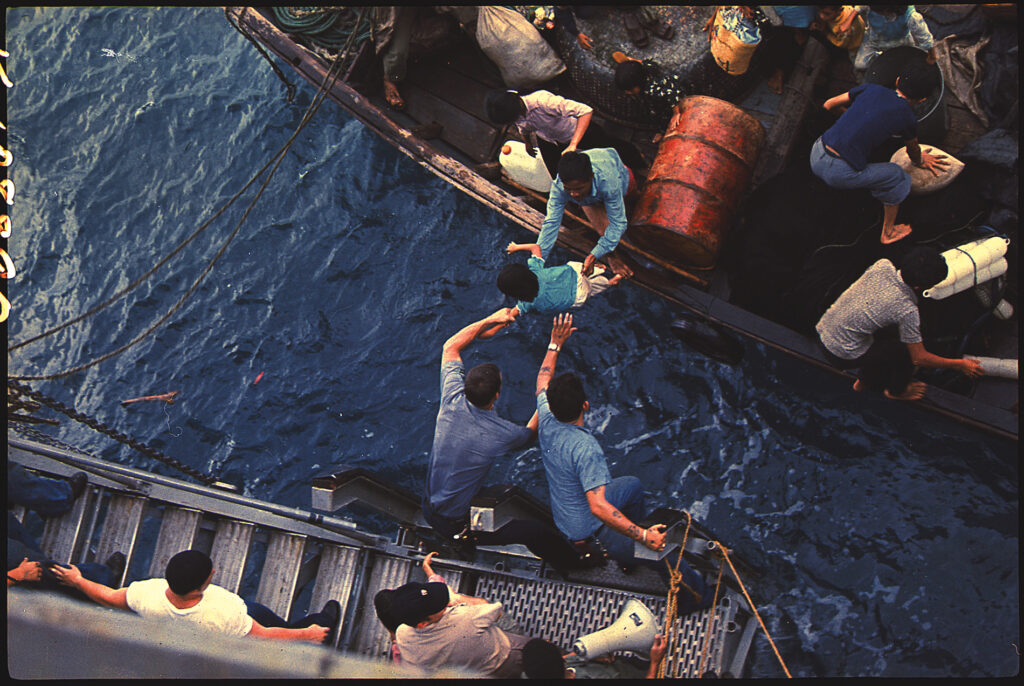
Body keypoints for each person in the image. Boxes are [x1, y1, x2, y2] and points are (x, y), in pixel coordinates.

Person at [534, 314, 710, 612]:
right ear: (585, 406)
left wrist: (555, 343)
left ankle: (629, 553)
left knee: (631, 486)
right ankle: (695, 601)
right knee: (663, 552)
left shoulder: (546, 416)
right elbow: (598, 507)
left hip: (564, 515)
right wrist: (644, 537)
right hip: (588, 532)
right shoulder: (585, 447)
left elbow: (542, 378)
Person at [422, 308, 587, 572]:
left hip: (429, 505)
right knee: (532, 533)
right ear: (497, 396)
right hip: (454, 521)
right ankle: (576, 566)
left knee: (502, 492)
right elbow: (532, 431)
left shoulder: (451, 398)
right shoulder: (501, 434)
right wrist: (552, 360)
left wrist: (489, 320)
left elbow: (451, 346)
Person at [53, 549, 340, 645]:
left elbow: (110, 597)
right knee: (288, 627)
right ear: (198, 589)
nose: (213, 571)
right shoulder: (223, 611)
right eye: (210, 574)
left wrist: (78, 581)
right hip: (241, 625)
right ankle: (322, 627)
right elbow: (263, 634)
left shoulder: (146, 594)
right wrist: (308, 635)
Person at [816, 246, 984, 399]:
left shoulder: (882, 265)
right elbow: (920, 358)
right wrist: (960, 365)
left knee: (885, 329)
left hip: (825, 328)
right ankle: (896, 391)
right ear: (919, 288)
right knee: (903, 352)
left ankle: (865, 378)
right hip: (842, 354)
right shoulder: (906, 310)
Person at [809, 59, 949, 244]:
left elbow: (829, 104)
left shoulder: (871, 89)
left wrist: (856, 120)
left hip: (816, 152)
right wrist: (921, 160)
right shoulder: (907, 116)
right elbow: (913, 151)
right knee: (898, 176)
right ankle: (888, 231)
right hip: (838, 174)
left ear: (897, 80)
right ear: (922, 99)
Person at [392, 580, 533, 677]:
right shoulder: (464, 617)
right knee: (539, 652)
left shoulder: (402, 635)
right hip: (505, 656)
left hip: (479, 673)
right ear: (422, 624)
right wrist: (457, 598)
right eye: (438, 606)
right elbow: (494, 610)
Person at [538, 150, 637, 280]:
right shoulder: (559, 186)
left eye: (578, 188)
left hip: (622, 181)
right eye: (568, 189)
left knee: (633, 202)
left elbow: (618, 224)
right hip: (590, 197)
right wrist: (537, 261)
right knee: (603, 229)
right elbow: (551, 224)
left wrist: (594, 254)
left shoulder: (608, 182)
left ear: (591, 177)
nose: (573, 194)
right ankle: (613, 256)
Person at [374, 552, 479, 663]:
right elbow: (434, 593)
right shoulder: (434, 615)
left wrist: (426, 568)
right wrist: (427, 568)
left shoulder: (400, 647)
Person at [499, 241, 624, 316]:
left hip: (578, 297)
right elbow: (535, 247)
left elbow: (511, 314)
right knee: (577, 270)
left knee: (589, 289)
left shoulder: (527, 303)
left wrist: (495, 324)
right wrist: (516, 247)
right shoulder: (535, 270)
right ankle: (598, 268)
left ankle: (612, 282)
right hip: (577, 275)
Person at [522, 632, 668, 679]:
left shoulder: (535, 673)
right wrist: (655, 662)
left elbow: (568, 658)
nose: (549, 641)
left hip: (617, 666)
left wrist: (595, 657)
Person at [612, 56, 687, 133]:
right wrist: (632, 61)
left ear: (638, 85)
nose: (627, 92)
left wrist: (676, 113)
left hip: (673, 94)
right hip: (670, 82)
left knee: (661, 116)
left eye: (629, 90)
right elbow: (646, 63)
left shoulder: (651, 91)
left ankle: (662, 132)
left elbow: (671, 93)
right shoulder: (647, 67)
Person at [848, 5, 935, 71]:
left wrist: (931, 57)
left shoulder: (912, 16)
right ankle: (880, 56)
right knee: (860, 65)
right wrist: (847, 23)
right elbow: (859, 8)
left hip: (901, 41)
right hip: (874, 38)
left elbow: (926, 40)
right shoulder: (873, 5)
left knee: (906, 65)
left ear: (887, 11)